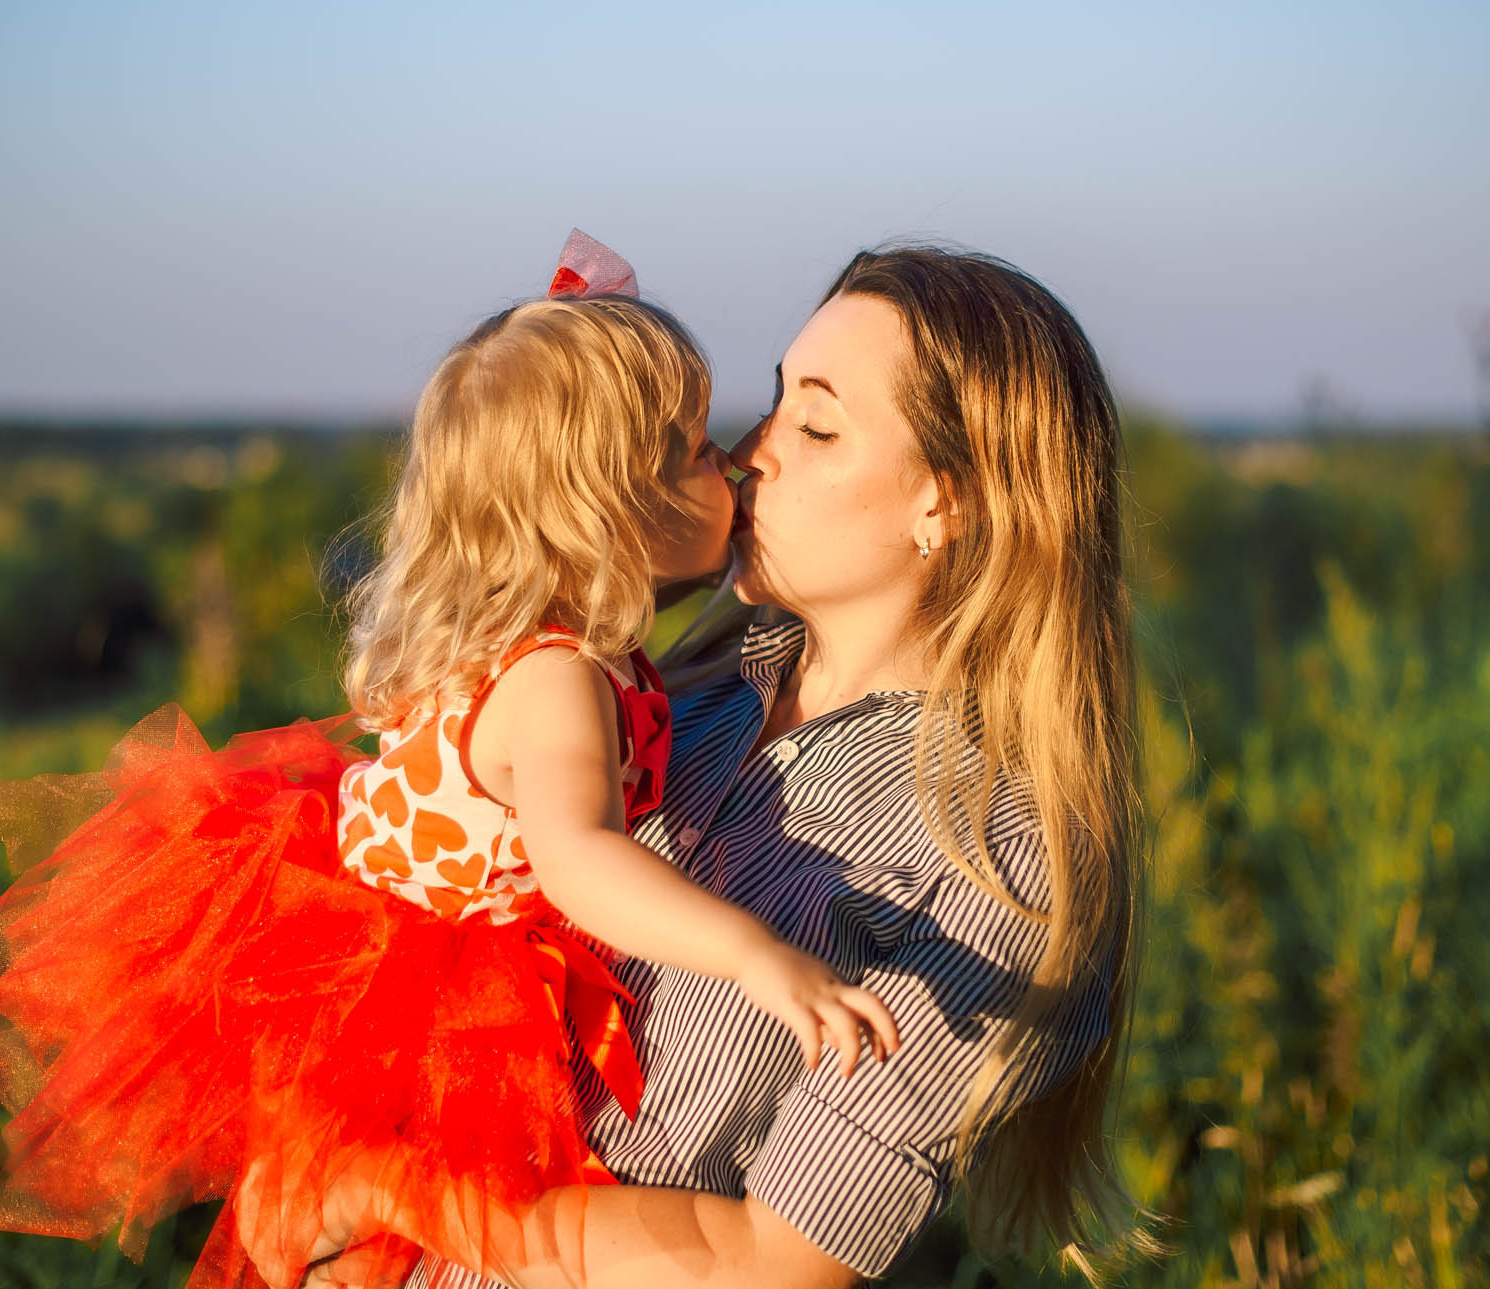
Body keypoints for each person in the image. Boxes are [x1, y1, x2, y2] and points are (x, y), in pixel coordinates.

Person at [0, 231, 899, 1289]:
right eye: (695, 452)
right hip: (425, 991)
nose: (734, 460)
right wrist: (753, 954)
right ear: (610, 506)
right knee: (409, 1224)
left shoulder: (523, 637)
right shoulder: (554, 678)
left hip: (364, 951)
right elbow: (580, 859)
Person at [380, 244, 1147, 1289]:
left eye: (816, 424)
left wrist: (394, 1199)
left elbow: (765, 1267)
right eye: (776, 401)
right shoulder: (651, 695)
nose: (748, 452)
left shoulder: (999, 856)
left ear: (945, 502)